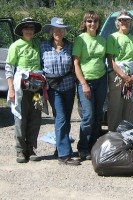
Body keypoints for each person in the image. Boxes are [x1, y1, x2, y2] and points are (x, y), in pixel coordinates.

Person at [40, 17, 80, 166]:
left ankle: (60, 148)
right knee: (61, 118)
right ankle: (64, 155)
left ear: (64, 31)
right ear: (51, 31)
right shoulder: (43, 46)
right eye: (55, 29)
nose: (58, 32)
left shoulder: (70, 46)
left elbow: (75, 65)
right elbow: (39, 65)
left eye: (61, 29)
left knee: (65, 119)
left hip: (68, 86)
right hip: (53, 87)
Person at [5, 17, 44, 163]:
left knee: (35, 117)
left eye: (31, 28)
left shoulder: (37, 44)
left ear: (34, 31)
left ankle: (31, 148)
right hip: (20, 87)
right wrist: (11, 90)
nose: (29, 30)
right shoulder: (15, 46)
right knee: (20, 118)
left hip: (36, 89)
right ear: (22, 30)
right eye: (26, 28)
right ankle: (20, 150)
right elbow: (9, 68)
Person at [73, 11, 107, 160]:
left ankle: (94, 146)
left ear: (99, 24)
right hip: (86, 81)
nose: (92, 24)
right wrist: (84, 84)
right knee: (88, 116)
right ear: (85, 23)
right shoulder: (80, 40)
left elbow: (108, 59)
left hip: (101, 80)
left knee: (98, 116)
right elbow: (76, 63)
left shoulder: (102, 40)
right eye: (89, 21)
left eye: (95, 22)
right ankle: (83, 147)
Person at [106, 10, 133, 131]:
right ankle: (113, 135)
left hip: (131, 78)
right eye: (122, 20)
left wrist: (132, 76)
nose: (124, 22)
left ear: (131, 22)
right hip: (117, 76)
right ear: (118, 22)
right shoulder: (112, 38)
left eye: (127, 20)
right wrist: (124, 76)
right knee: (115, 107)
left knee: (128, 109)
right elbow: (110, 60)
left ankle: (127, 135)